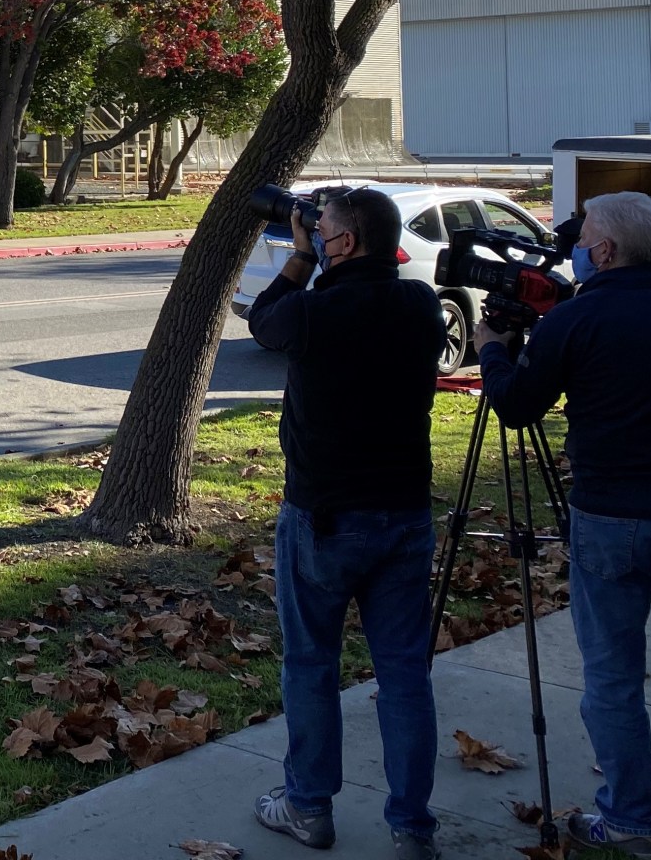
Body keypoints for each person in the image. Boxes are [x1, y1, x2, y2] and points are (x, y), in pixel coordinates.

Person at [477, 190, 651, 860]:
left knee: (613, 680)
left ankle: (629, 821)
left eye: (583, 237)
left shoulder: (575, 322)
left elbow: (514, 408)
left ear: (604, 251)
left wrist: (492, 349)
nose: (574, 248)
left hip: (610, 522)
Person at [246, 186, 444, 859]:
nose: (315, 232)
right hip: (405, 517)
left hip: (323, 518)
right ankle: (413, 826)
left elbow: (264, 319)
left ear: (346, 243)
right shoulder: (421, 306)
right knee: (405, 675)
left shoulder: (315, 312)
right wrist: (318, 245)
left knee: (310, 664)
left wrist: (299, 258)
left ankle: (307, 808)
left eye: (323, 228)